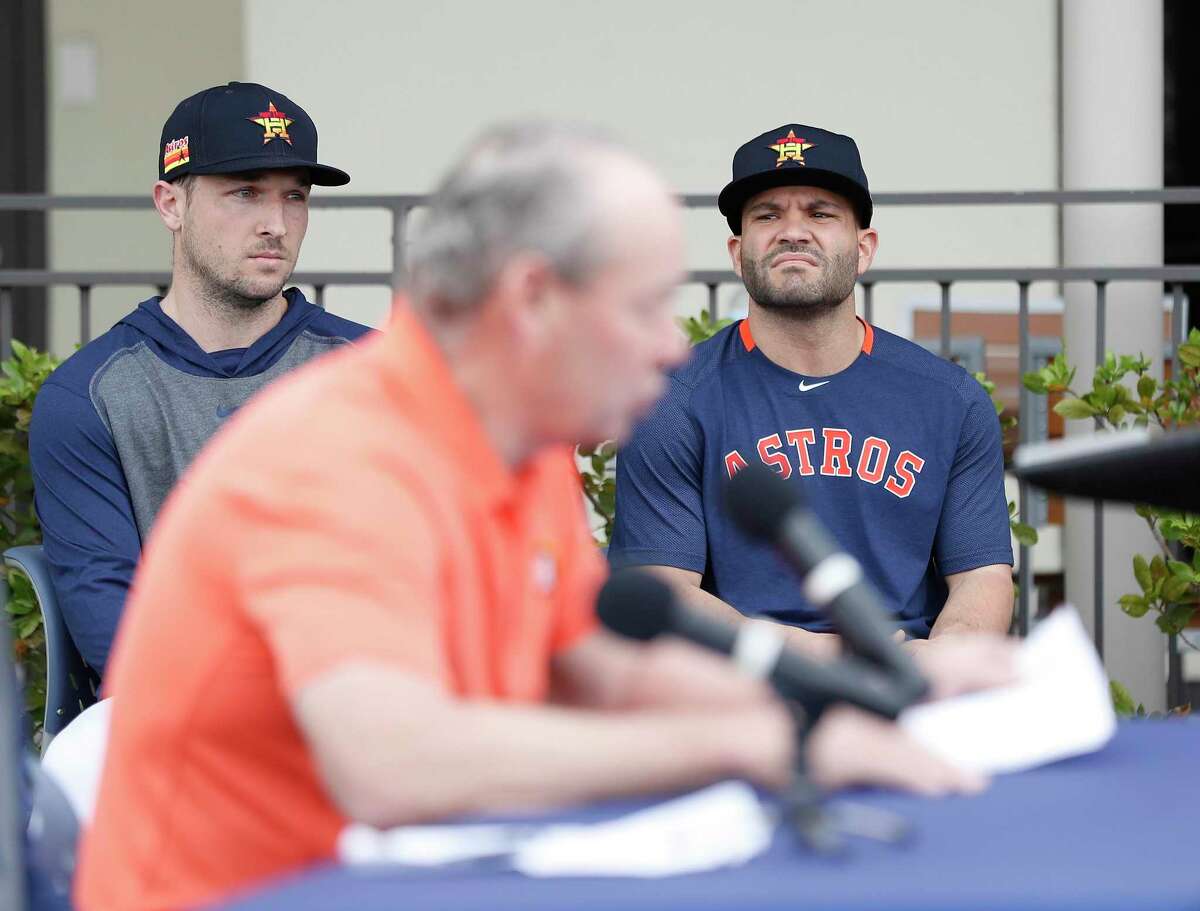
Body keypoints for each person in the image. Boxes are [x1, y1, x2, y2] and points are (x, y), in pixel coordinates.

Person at [75, 123, 1012, 911]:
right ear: (532, 300)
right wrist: (760, 741)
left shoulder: (518, 449)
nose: (664, 347)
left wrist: (862, 702)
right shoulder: (339, 453)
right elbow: (391, 761)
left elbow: (600, 669)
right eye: (644, 307)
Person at [610, 123, 1014, 659]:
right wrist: (826, 657)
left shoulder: (949, 400)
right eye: (767, 215)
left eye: (821, 213)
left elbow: (982, 576)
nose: (793, 232)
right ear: (737, 251)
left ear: (864, 248)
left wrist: (944, 658)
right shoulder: (672, 402)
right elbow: (668, 588)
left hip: (913, 674)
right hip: (744, 683)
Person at [29, 82, 371, 674]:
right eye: (245, 193)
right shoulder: (87, 396)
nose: (276, 224)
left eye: (295, 197)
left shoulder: (371, 372)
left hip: (354, 707)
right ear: (170, 204)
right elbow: (117, 638)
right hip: (172, 717)